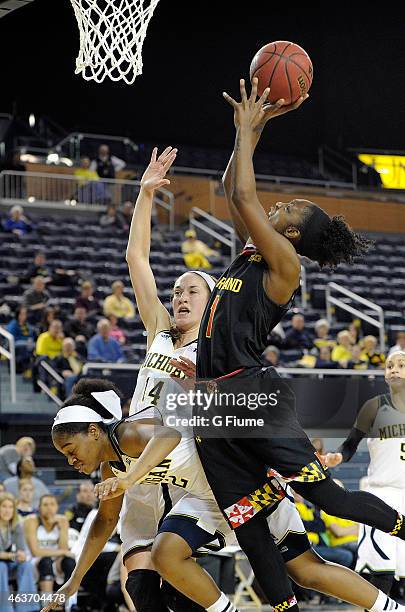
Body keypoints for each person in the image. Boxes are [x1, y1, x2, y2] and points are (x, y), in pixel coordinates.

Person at [40, 148, 405, 612]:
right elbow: (138, 260)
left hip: (210, 454)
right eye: (177, 290)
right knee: (147, 580)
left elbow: (239, 400)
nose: (181, 294)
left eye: (193, 289)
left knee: (300, 563)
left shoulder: (218, 345)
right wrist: (145, 195)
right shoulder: (160, 334)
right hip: (173, 471)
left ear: (214, 300)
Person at [185, 78, 405, 611]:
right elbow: (229, 185)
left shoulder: (284, 265)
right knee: (252, 532)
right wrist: (251, 134)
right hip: (212, 405)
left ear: (296, 236)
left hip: (253, 395)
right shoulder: (253, 252)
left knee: (327, 497)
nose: (280, 206)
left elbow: (241, 193)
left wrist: (245, 128)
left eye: (291, 209)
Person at [41, 378, 405, 612]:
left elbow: (167, 435)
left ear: (93, 431)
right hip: (207, 497)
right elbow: (104, 523)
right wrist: (71, 583)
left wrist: (132, 476)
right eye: (65, 456)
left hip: (245, 481)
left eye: (71, 448)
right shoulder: (110, 468)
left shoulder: (130, 431)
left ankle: (389, 608)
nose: (72, 460)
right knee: (165, 552)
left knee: (307, 573)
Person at [324, 350, 405, 596]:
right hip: (382, 496)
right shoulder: (374, 406)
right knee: (381, 572)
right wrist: (338, 457)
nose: (393, 369)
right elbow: (350, 445)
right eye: (389, 365)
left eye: (401, 365)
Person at [24, 495, 76, 602]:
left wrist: (62, 528)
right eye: (45, 505)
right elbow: (35, 552)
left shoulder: (62, 520)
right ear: (39, 508)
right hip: (34, 562)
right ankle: (46, 604)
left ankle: (70, 604)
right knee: (46, 562)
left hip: (55, 561)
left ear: (57, 507)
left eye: (52, 504)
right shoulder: (31, 521)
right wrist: (63, 552)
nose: (49, 508)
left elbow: (63, 549)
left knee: (69, 562)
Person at [0, 492, 40, 612]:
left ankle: (26, 608)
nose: (7, 510)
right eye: (3, 506)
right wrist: (12, 555)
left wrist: (22, 555)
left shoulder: (16, 526)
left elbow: (21, 550)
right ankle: (5, 609)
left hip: (8, 563)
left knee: (26, 565)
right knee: (1, 567)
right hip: (2, 565)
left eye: (10, 507)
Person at [6, 306, 35, 376]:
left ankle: (30, 368)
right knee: (24, 345)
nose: (24, 316)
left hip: (27, 344)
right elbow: (12, 338)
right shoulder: (13, 324)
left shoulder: (27, 325)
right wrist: (26, 341)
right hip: (15, 344)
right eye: (22, 314)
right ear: (18, 315)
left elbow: (31, 336)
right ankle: (25, 368)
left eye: (25, 314)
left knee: (34, 346)